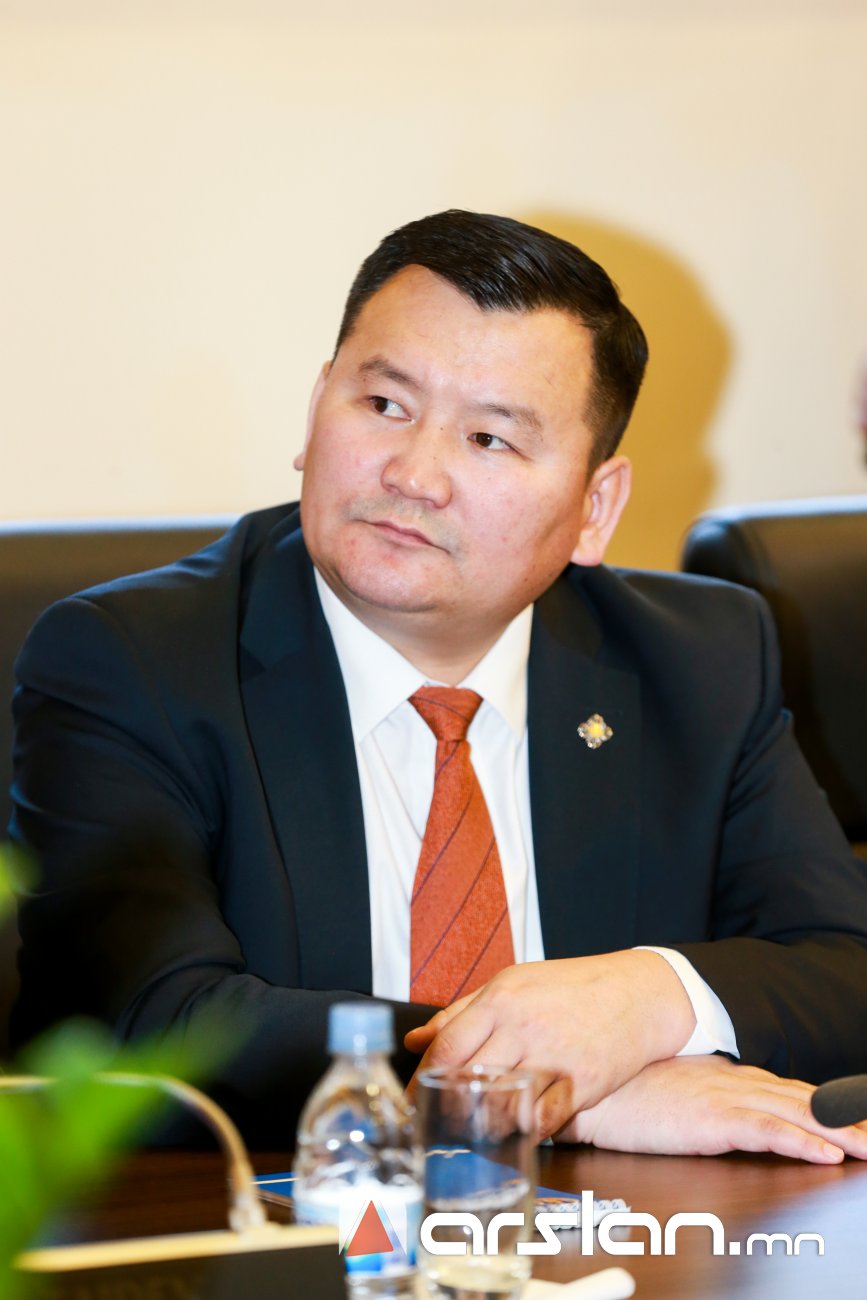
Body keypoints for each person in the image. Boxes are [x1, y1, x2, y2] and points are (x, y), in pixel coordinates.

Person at [9, 211, 867, 1158]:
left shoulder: (699, 661)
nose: (414, 474)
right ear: (316, 408)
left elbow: (847, 966)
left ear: (593, 508)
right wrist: (548, 1090)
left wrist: (646, 997)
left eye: (489, 439)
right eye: (384, 405)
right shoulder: (130, 660)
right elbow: (153, 1020)